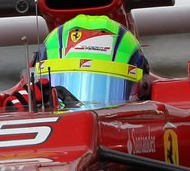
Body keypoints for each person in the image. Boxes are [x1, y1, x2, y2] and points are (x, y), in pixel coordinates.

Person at [11, 14, 150, 112]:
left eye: (101, 90)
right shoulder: (26, 102)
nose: (82, 111)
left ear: (142, 88)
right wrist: (16, 116)